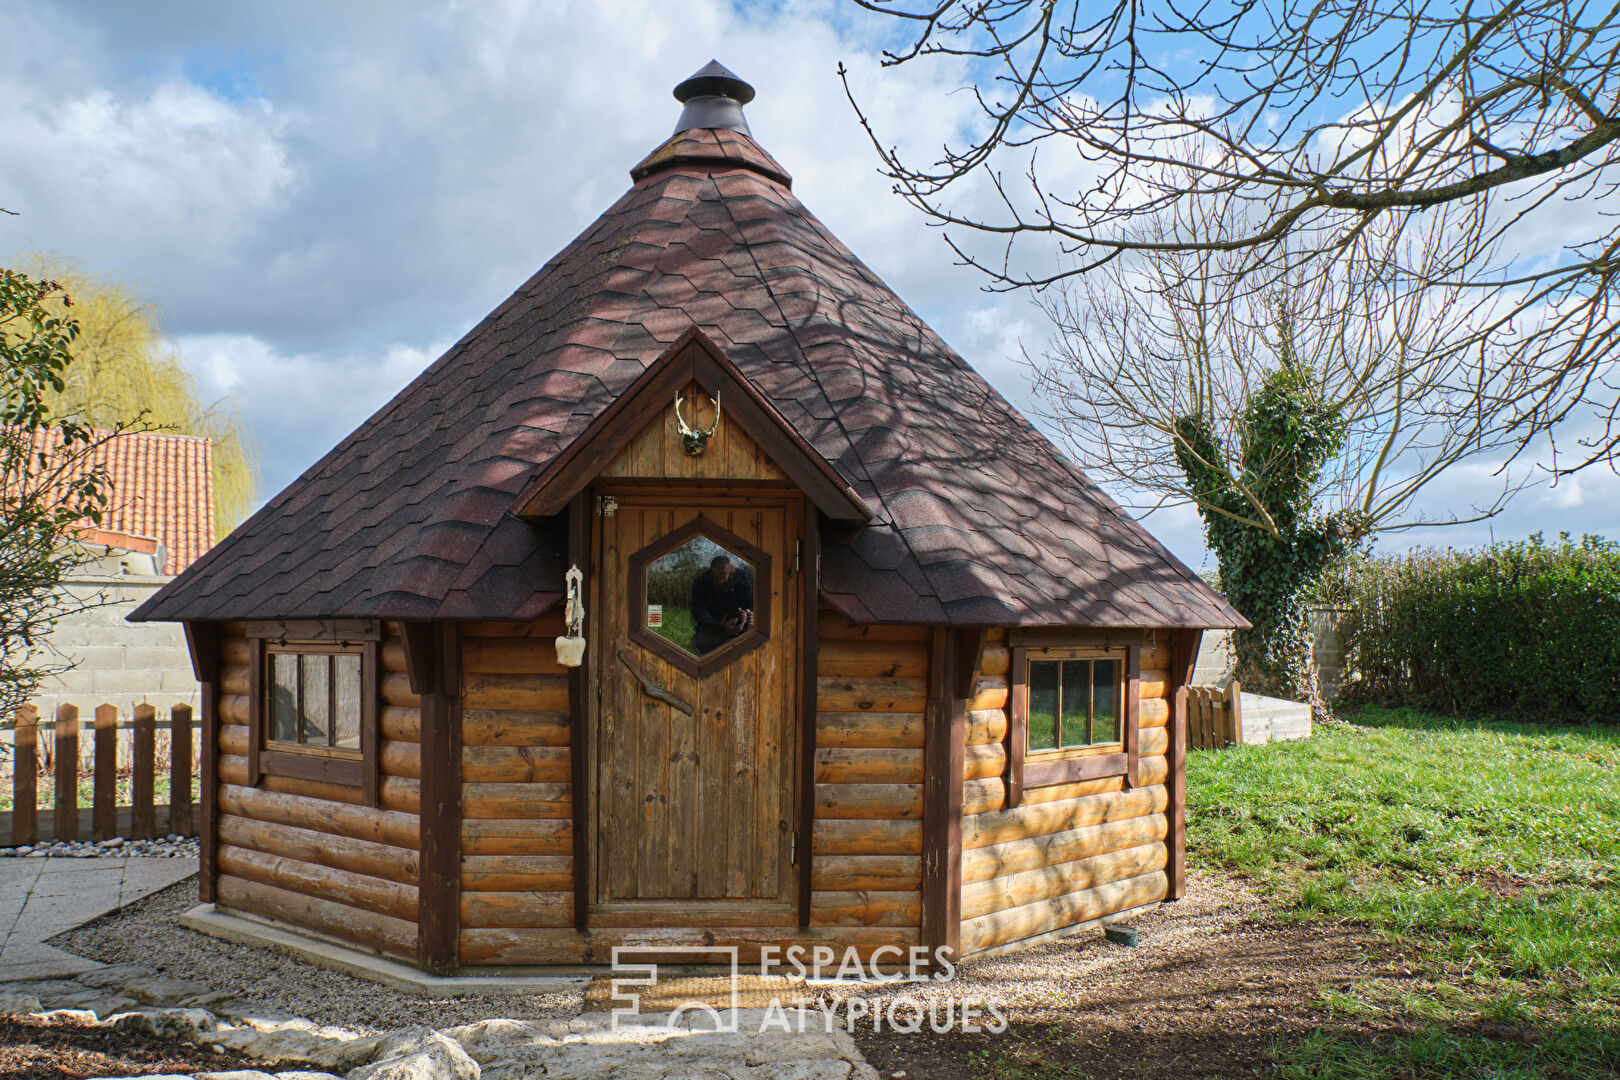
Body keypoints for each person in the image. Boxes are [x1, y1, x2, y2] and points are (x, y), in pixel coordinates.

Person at [690, 554, 754, 654]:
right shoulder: (701, 583)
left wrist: (744, 617)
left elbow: (752, 603)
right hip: (713, 624)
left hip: (739, 622)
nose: (720, 581)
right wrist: (719, 626)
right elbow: (699, 611)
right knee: (701, 639)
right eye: (716, 577)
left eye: (723, 576)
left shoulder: (743, 581)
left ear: (731, 570)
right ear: (711, 571)